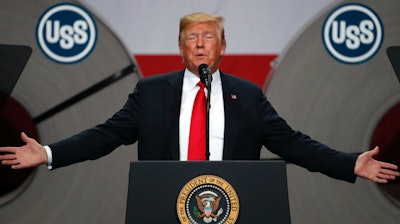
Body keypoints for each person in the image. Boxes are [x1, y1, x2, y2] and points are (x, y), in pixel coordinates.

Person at [0, 12, 398, 183]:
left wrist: (350, 164)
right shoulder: (151, 92)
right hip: (162, 206)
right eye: (192, 37)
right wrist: (48, 153)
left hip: (233, 207)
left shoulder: (248, 95)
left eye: (209, 36)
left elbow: (293, 144)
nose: (200, 43)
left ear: (223, 46)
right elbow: (105, 135)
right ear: (181, 47)